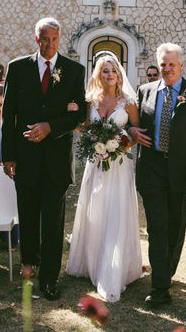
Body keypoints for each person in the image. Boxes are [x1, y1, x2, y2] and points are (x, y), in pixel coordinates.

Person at [2, 17, 86, 300]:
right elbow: (7, 114)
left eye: (54, 39)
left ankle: (49, 278)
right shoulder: (17, 68)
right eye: (45, 39)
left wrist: (50, 127)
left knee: (52, 221)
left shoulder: (74, 70)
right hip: (24, 157)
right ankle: (29, 262)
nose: (50, 44)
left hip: (56, 159)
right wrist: (8, 155)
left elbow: (78, 114)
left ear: (59, 39)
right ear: (36, 39)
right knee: (27, 214)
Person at [130, 43, 186, 306]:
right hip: (152, 168)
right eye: (163, 64)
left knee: (176, 227)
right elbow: (134, 125)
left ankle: (167, 271)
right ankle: (160, 286)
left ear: (181, 65)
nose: (167, 69)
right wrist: (132, 133)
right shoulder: (145, 91)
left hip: (183, 171)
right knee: (157, 227)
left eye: (171, 64)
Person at [66, 54, 143, 302]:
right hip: (96, 164)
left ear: (119, 74)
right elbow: (85, 127)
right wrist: (87, 133)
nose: (109, 75)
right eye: (104, 71)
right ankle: (90, 263)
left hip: (118, 165)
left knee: (115, 211)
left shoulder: (129, 102)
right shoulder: (91, 101)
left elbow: (135, 133)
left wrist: (118, 146)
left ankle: (114, 268)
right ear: (98, 74)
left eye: (113, 71)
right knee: (95, 211)